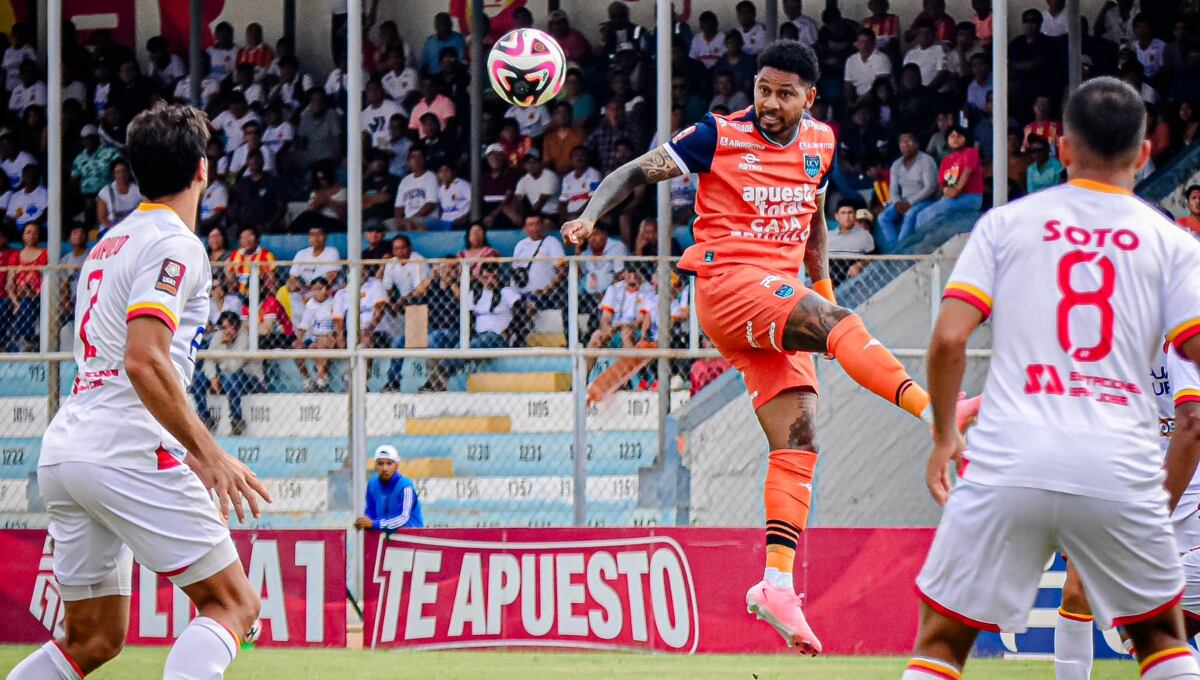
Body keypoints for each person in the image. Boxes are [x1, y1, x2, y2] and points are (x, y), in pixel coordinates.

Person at [562, 40, 971, 653]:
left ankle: (776, 585)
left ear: (809, 98)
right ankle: (938, 412)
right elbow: (630, 172)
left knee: (799, 438)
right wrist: (590, 217)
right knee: (845, 331)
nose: (770, 104)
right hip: (729, 285)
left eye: (784, 95)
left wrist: (826, 291)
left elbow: (813, 222)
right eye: (763, 90)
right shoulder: (716, 136)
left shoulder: (821, 143)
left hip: (780, 294)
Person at [904, 76, 1200, 680]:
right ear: (1145, 156)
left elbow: (949, 339)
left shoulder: (1006, 225)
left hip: (1012, 458)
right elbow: (1193, 396)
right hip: (1118, 465)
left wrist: (943, 436)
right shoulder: (1172, 245)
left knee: (940, 643)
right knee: (1162, 639)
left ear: (1062, 148)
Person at [7, 104, 267, 680]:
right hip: (125, 445)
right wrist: (208, 453)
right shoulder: (178, 245)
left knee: (92, 639)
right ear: (203, 170)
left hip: (70, 447)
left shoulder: (108, 243)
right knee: (234, 605)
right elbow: (144, 359)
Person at [1052, 350, 1200, 678]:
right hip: (1127, 486)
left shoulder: (1181, 330)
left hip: (1183, 498)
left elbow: (1191, 427)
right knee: (1080, 592)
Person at [197, 312, 264, 436]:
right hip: (226, 377)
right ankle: (206, 418)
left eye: (229, 327)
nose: (226, 332)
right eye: (223, 328)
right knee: (199, 379)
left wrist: (223, 346)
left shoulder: (244, 338)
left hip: (251, 380)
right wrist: (212, 378)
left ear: (236, 327)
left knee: (229, 378)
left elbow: (234, 367)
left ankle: (236, 420)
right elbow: (208, 360)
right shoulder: (218, 336)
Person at [586, 262, 651, 377]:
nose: (633, 275)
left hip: (634, 329)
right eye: (630, 271)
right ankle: (583, 378)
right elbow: (605, 317)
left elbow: (642, 319)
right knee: (596, 336)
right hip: (614, 328)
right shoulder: (614, 289)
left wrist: (629, 325)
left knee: (626, 334)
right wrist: (607, 328)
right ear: (624, 273)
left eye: (636, 271)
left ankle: (629, 380)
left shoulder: (648, 290)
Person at [915, 125, 984, 231]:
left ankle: (923, 243)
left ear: (965, 138)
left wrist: (957, 189)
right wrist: (946, 190)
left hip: (971, 197)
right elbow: (942, 183)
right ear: (947, 140)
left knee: (927, 215)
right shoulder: (946, 160)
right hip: (953, 198)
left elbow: (966, 172)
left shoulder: (970, 152)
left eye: (959, 136)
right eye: (952, 136)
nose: (955, 139)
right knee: (920, 215)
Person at [878, 132, 939, 250]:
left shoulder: (926, 160)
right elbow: (893, 188)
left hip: (925, 200)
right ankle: (895, 249)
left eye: (909, 141)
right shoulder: (896, 164)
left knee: (910, 214)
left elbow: (930, 187)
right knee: (883, 217)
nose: (905, 144)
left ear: (917, 144)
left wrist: (909, 203)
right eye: (902, 142)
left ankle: (900, 250)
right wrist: (897, 203)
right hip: (903, 201)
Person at [355, 445, 423, 531]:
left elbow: (403, 518)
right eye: (380, 463)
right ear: (375, 466)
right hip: (383, 538)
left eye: (389, 463)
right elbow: (370, 513)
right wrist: (363, 523)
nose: (384, 468)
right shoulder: (372, 484)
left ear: (397, 466)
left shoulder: (405, 486)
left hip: (411, 538)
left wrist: (374, 524)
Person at [513, 214, 566, 309]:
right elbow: (515, 271)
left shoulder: (552, 242)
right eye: (530, 224)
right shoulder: (520, 245)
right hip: (520, 295)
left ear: (543, 226)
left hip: (544, 296)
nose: (535, 227)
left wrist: (547, 290)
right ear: (525, 228)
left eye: (537, 224)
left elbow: (562, 268)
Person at [295, 276, 337, 391]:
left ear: (327, 289)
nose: (317, 292)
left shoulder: (333, 303)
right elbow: (304, 325)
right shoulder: (310, 304)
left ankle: (321, 380)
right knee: (297, 349)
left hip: (330, 336)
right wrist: (299, 340)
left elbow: (338, 324)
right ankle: (307, 379)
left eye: (320, 289)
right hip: (315, 337)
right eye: (314, 290)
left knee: (321, 344)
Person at [393, 146, 439, 230]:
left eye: (419, 157)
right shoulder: (405, 180)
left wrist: (411, 219)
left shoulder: (431, 177)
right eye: (413, 157)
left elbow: (430, 204)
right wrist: (399, 220)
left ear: (425, 159)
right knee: (383, 225)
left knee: (409, 224)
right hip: (408, 219)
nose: (416, 160)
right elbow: (399, 207)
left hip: (428, 219)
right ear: (408, 161)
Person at [843, 29, 891, 107]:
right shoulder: (851, 60)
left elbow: (879, 84)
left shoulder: (881, 58)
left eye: (868, 41)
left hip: (877, 99)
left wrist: (859, 102)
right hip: (858, 99)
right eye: (861, 42)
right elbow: (848, 84)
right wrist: (849, 102)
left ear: (873, 43)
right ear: (856, 44)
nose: (865, 45)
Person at [514, 149, 560, 219]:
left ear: (541, 163)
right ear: (524, 165)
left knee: (539, 223)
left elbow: (541, 202)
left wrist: (528, 217)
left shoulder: (550, 176)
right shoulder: (524, 180)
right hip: (536, 213)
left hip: (553, 214)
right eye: (528, 163)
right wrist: (518, 213)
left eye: (534, 162)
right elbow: (517, 199)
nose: (531, 165)